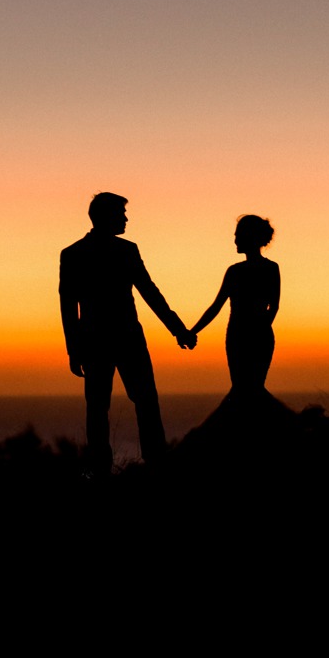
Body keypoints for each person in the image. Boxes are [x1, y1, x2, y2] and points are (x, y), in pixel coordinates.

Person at [59, 193, 196, 478]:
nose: (126, 218)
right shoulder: (80, 254)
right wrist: (73, 350)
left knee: (126, 403)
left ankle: (144, 464)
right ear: (105, 216)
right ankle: (126, 467)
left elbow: (149, 292)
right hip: (112, 339)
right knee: (113, 405)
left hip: (112, 339)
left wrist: (178, 329)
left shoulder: (95, 252)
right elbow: (69, 306)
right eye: (121, 213)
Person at [189, 215, 280, 397]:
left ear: (249, 237)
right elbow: (216, 307)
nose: (235, 240)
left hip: (247, 335)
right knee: (245, 388)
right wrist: (193, 331)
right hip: (241, 336)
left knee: (248, 389)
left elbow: (274, 306)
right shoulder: (238, 271)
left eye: (238, 235)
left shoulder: (254, 270)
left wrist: (257, 330)